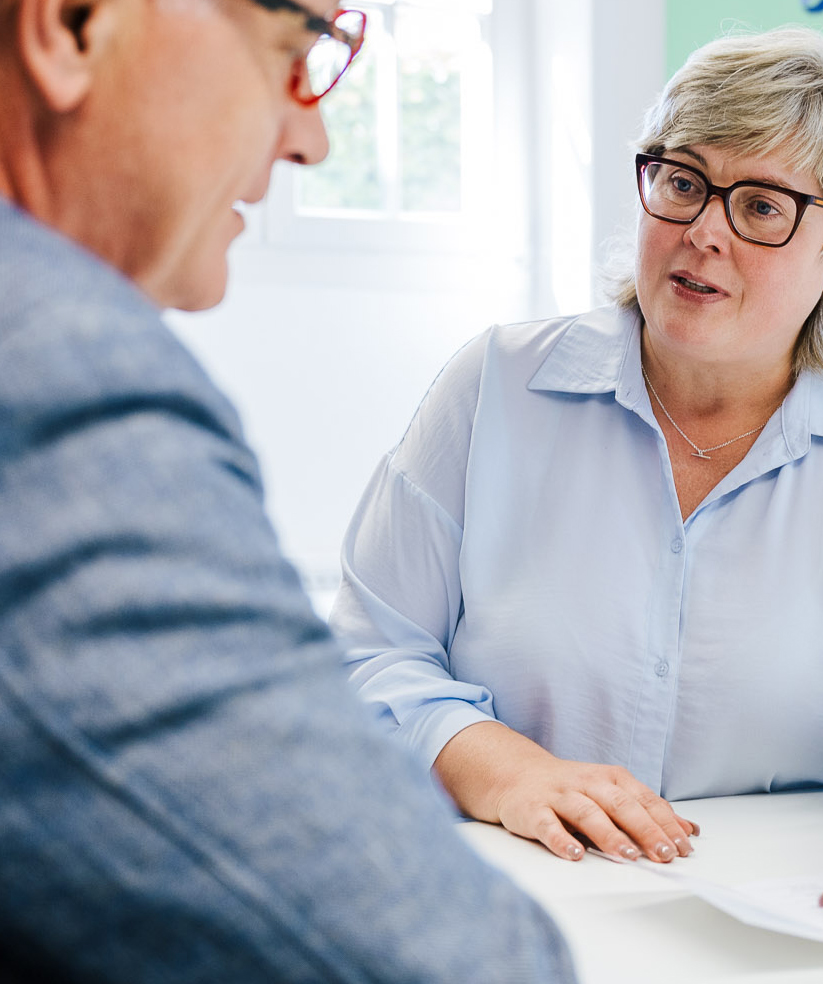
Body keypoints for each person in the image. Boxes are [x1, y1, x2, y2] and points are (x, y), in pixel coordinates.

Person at [330, 26, 823, 930]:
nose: (703, 232)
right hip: (507, 899)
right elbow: (365, 654)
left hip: (782, 915)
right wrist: (506, 769)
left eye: (763, 207)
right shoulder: (496, 388)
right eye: (684, 182)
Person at [0, 0, 574, 978]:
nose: (311, 137)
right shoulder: (55, 378)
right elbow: (444, 954)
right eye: (290, 51)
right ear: (74, 26)